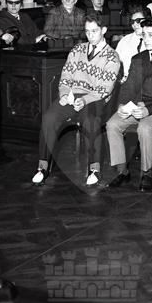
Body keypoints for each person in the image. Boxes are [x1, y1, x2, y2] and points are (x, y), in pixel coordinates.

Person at [31, 13, 121, 187]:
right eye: (87, 31)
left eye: (94, 31)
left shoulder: (112, 56)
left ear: (103, 30)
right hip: (72, 96)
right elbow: (66, 75)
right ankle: (43, 167)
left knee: (90, 121)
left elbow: (105, 88)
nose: (90, 35)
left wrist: (85, 100)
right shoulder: (77, 50)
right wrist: (65, 94)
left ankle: (94, 169)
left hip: (95, 98)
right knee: (49, 118)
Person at [105, 17, 152, 191]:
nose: (146, 39)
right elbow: (128, 87)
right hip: (137, 106)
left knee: (145, 128)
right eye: (144, 35)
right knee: (112, 124)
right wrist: (122, 105)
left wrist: (148, 110)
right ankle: (122, 171)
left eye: (151, 35)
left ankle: (146, 172)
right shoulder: (138, 58)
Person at [115, 6, 147, 82]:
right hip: (127, 81)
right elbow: (115, 63)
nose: (135, 24)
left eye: (138, 21)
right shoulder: (124, 41)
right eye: (132, 22)